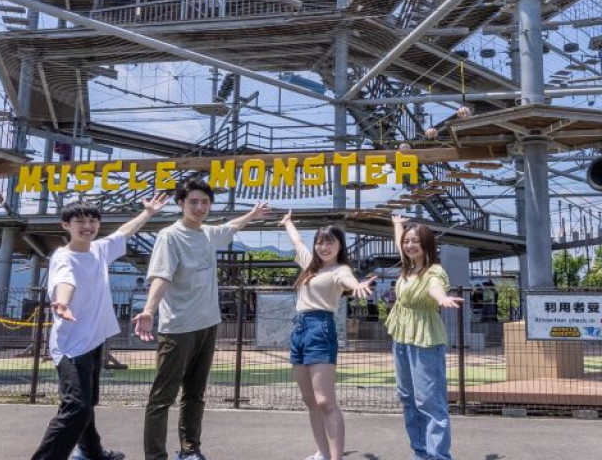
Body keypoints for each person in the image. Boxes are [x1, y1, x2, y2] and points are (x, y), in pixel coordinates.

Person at [133, 179, 272, 460]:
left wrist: (252, 215)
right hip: (177, 328)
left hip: (208, 325)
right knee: (162, 397)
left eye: (205, 202)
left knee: (195, 394)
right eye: (193, 202)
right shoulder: (169, 236)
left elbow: (231, 227)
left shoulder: (208, 234)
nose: (199, 207)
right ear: (180, 204)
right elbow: (162, 276)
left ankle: (190, 450)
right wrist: (149, 310)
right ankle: (155, 456)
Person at [27, 190, 171, 460]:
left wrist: (148, 212)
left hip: (93, 341)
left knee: (87, 404)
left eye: (92, 220)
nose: (88, 226)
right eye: (80, 221)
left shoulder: (99, 249)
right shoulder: (63, 257)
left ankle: (92, 452)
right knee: (76, 407)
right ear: (65, 225)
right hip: (71, 346)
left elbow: (123, 233)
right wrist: (63, 303)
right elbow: (64, 281)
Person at [281, 213, 376, 460]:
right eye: (320, 242)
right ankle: (323, 453)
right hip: (300, 328)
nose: (324, 247)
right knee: (310, 400)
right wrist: (288, 222)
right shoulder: (309, 265)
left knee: (325, 401)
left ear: (340, 245)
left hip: (320, 327)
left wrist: (357, 286)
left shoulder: (340, 270)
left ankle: (335, 457)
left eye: (330, 242)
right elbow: (297, 242)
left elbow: (348, 280)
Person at [389, 213, 461, 460]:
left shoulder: (434, 271)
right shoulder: (408, 266)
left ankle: (438, 456)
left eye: (415, 242)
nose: (409, 245)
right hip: (401, 337)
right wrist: (397, 224)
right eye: (407, 241)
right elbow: (400, 240)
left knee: (430, 402)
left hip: (425, 339)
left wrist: (441, 299)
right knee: (408, 399)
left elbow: (435, 289)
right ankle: (420, 453)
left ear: (427, 245)